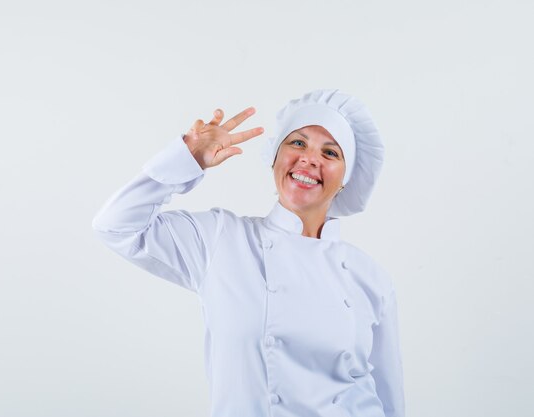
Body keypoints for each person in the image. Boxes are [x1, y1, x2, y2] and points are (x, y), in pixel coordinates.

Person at [92, 89, 405, 417]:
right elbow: (115, 226)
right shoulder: (221, 239)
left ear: (346, 179)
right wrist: (187, 158)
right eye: (297, 143)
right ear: (274, 157)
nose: (310, 159)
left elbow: (389, 399)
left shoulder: (370, 278)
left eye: (330, 153)